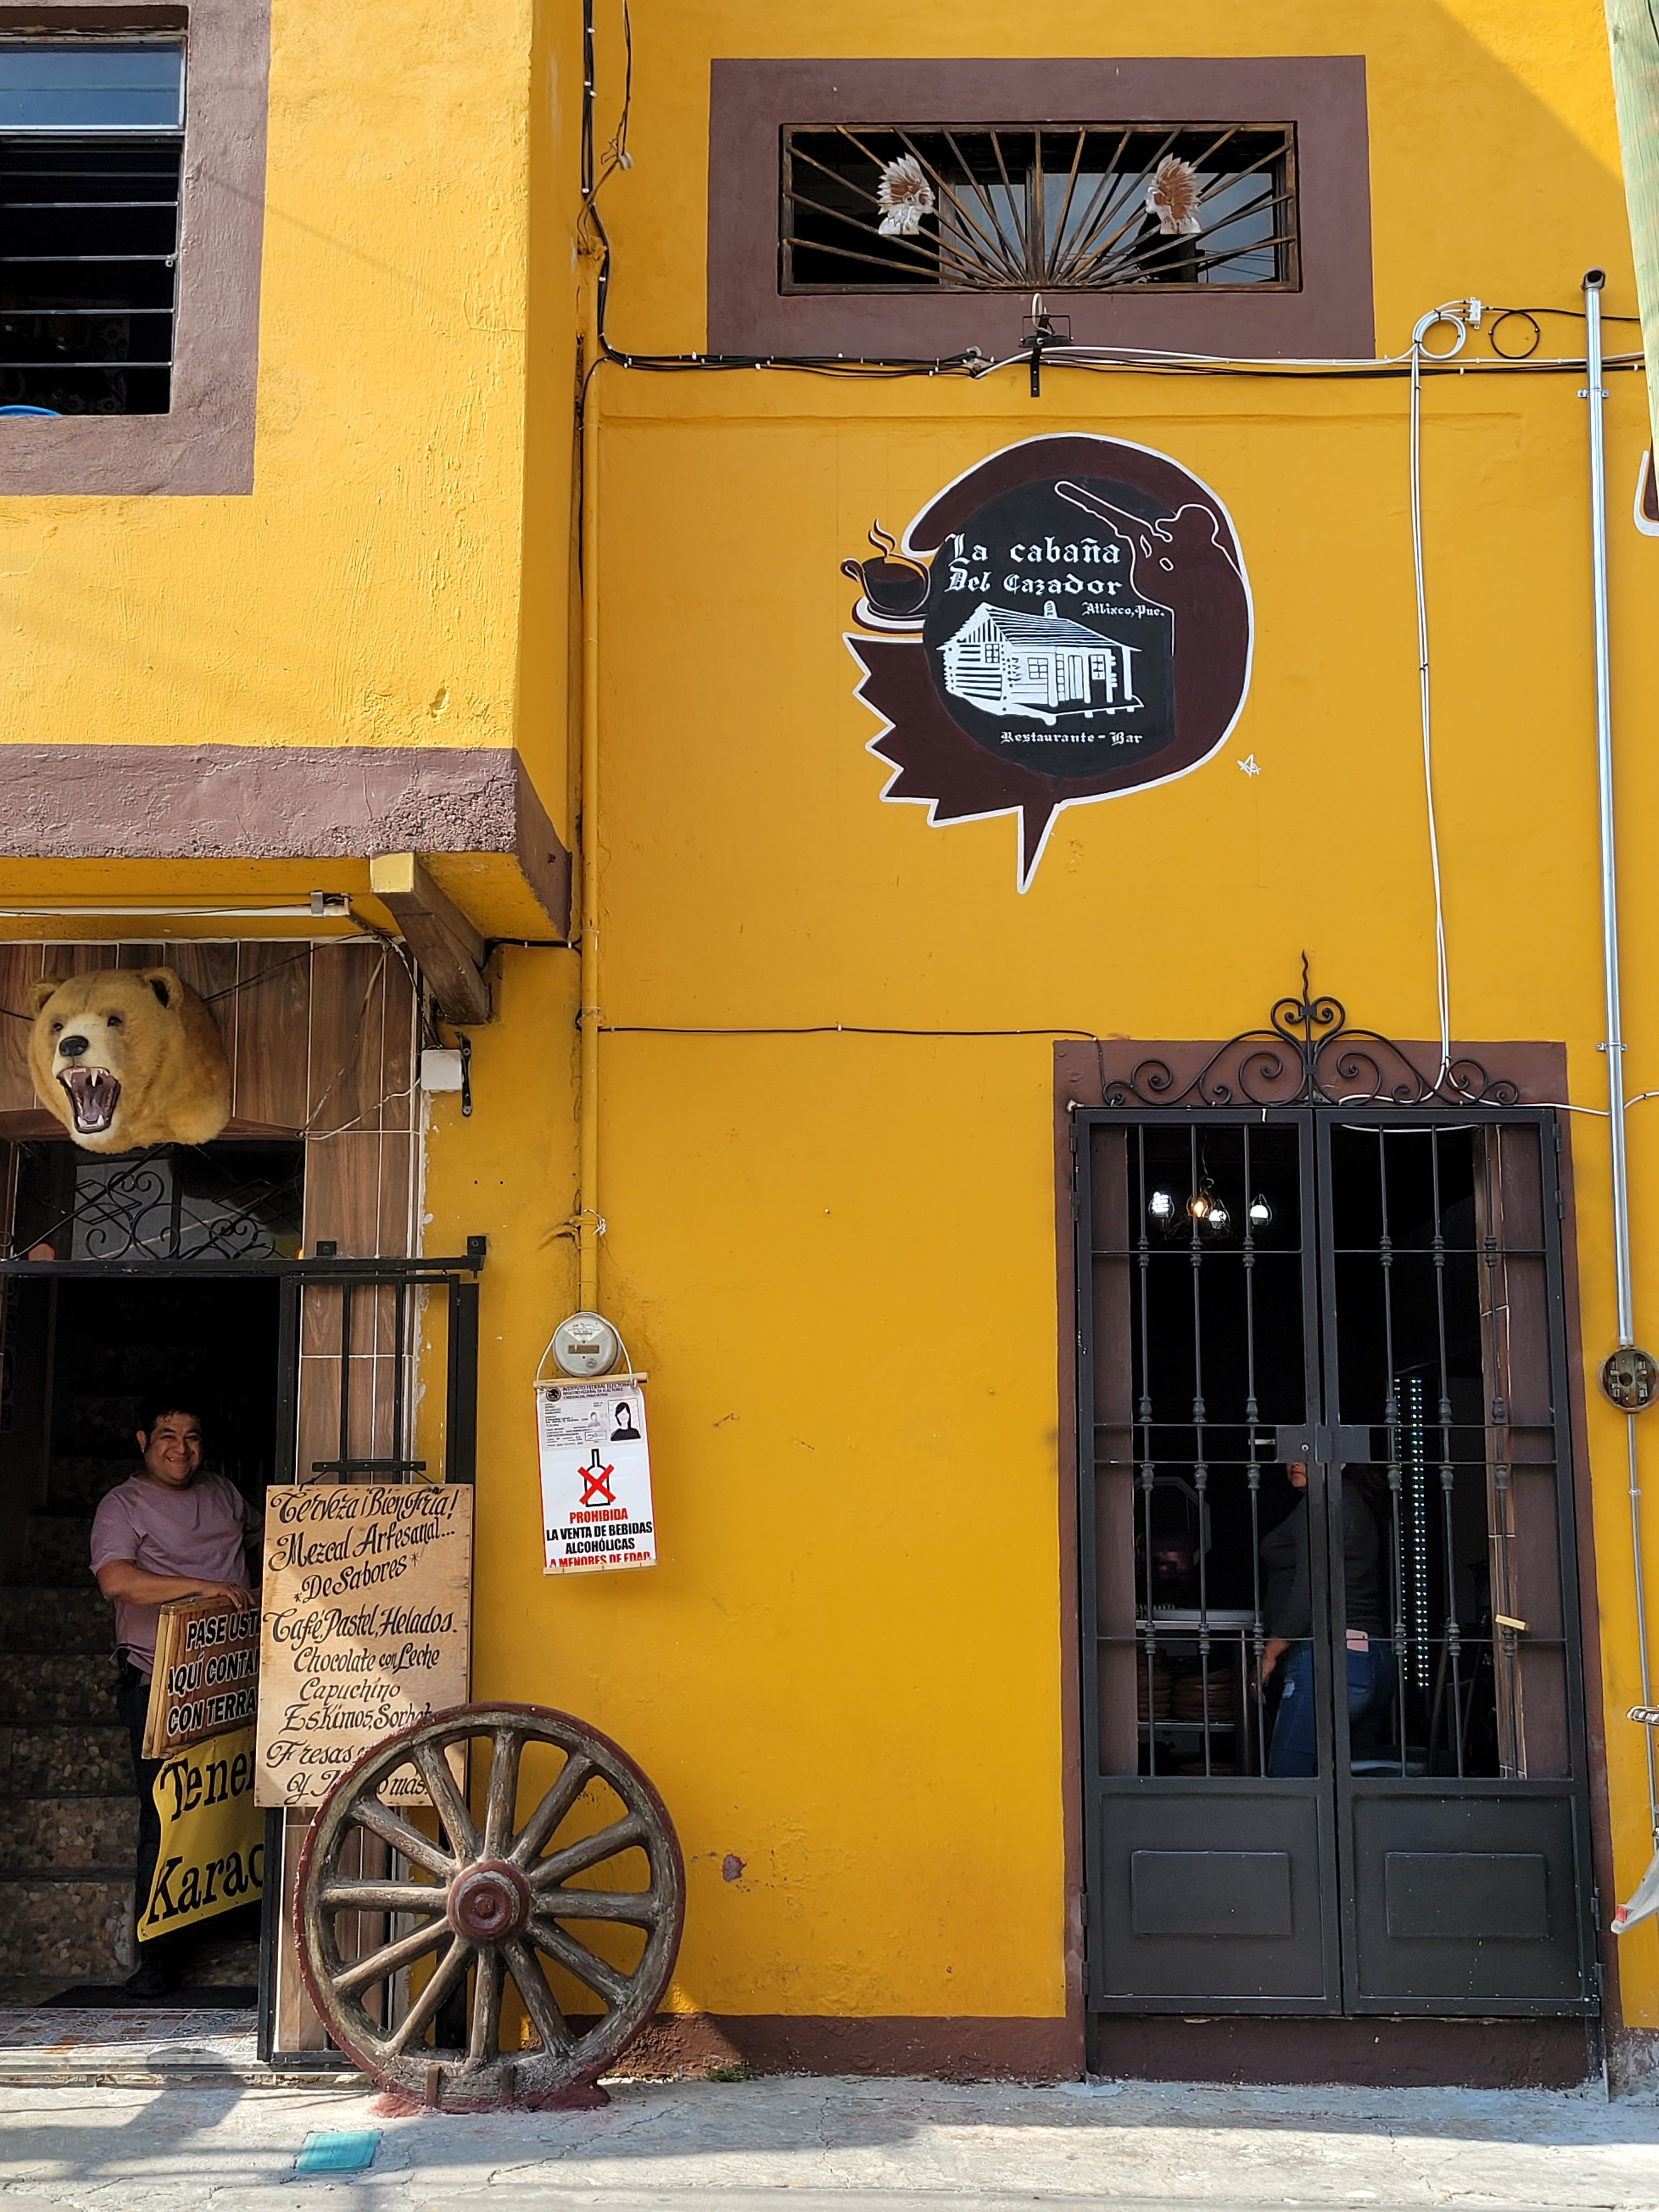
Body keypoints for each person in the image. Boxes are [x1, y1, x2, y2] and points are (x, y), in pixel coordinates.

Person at [89, 1400, 261, 1996]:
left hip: (233, 1678)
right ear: (144, 1440)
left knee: (232, 1801)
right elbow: (116, 1580)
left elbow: (270, 1535)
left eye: (192, 1437)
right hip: (158, 1682)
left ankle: (237, 1915)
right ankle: (158, 1955)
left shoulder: (224, 1495)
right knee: (167, 1812)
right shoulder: (123, 1505)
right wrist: (204, 1589)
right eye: (167, 1436)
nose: (180, 1449)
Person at [1259, 1460, 1396, 1777]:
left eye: (1307, 1451)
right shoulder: (1352, 1501)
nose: (1296, 1462)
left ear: (1340, 1459)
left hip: (1329, 1662)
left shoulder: (1321, 1504)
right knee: (1343, 1786)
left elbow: (1311, 1587)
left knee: (1289, 1779)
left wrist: (1270, 1653)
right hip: (1372, 1657)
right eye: (1292, 1451)